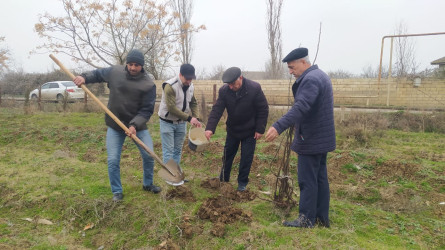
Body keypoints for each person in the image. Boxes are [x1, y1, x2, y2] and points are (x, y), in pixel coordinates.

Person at [73, 49, 161, 201]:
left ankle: (148, 184)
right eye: (131, 64)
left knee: (148, 155)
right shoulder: (115, 72)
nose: (133, 68)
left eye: (137, 65)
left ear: (142, 66)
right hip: (115, 124)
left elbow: (146, 110)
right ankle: (117, 192)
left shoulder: (148, 84)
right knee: (113, 160)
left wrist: (134, 125)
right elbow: (98, 74)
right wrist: (84, 77)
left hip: (137, 126)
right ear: (127, 63)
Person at [265, 47, 336, 228]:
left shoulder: (310, 80)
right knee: (320, 178)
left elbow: (301, 107)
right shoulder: (321, 75)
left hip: (311, 138)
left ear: (304, 62)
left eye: (292, 67)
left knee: (307, 180)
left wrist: (278, 126)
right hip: (321, 138)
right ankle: (321, 218)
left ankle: (306, 219)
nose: (290, 72)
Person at [205, 67, 269, 191]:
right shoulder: (224, 91)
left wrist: (260, 129)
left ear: (241, 77)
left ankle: (242, 183)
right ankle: (224, 179)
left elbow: (263, 109)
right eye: (228, 84)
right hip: (233, 130)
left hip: (250, 131)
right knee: (227, 155)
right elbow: (217, 110)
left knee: (246, 158)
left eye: (233, 83)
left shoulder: (254, 88)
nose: (230, 86)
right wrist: (209, 128)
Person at [158, 64, 201, 179]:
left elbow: (193, 103)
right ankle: (169, 177)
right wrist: (189, 118)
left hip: (181, 124)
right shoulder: (170, 86)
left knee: (177, 150)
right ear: (180, 75)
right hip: (167, 122)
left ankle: (176, 174)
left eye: (191, 78)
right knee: (168, 151)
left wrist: (196, 118)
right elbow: (171, 108)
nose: (189, 81)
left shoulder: (191, 86)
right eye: (187, 78)